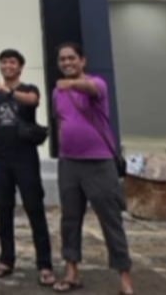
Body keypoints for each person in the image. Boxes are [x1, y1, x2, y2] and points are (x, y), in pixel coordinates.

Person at [52, 42, 134, 295]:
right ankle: (72, 271)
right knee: (70, 220)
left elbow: (91, 89)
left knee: (111, 220)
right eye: (62, 59)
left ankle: (125, 278)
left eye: (71, 58)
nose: (67, 63)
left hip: (99, 163)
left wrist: (72, 84)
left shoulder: (97, 84)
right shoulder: (58, 92)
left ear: (82, 61)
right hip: (69, 163)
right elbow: (61, 121)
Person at [0, 49, 55, 286]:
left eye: (12, 62)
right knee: (3, 209)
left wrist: (10, 92)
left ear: (20, 67)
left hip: (25, 158)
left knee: (34, 209)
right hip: (1, 159)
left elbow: (33, 101)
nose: (8, 66)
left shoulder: (29, 89)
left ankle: (45, 265)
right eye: (4, 62)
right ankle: (6, 260)